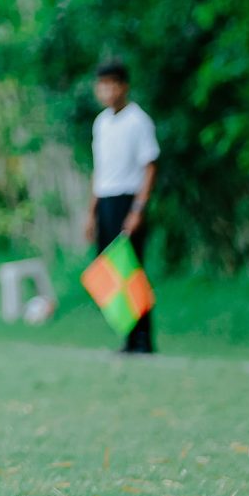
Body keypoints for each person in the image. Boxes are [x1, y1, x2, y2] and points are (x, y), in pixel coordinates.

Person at [87, 60, 159, 355]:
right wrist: (90, 211)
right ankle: (128, 338)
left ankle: (143, 340)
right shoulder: (101, 123)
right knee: (111, 272)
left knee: (131, 270)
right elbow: (99, 170)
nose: (107, 91)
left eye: (112, 84)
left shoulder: (138, 120)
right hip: (105, 198)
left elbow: (150, 166)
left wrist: (138, 209)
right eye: (102, 85)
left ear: (124, 86)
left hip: (127, 199)